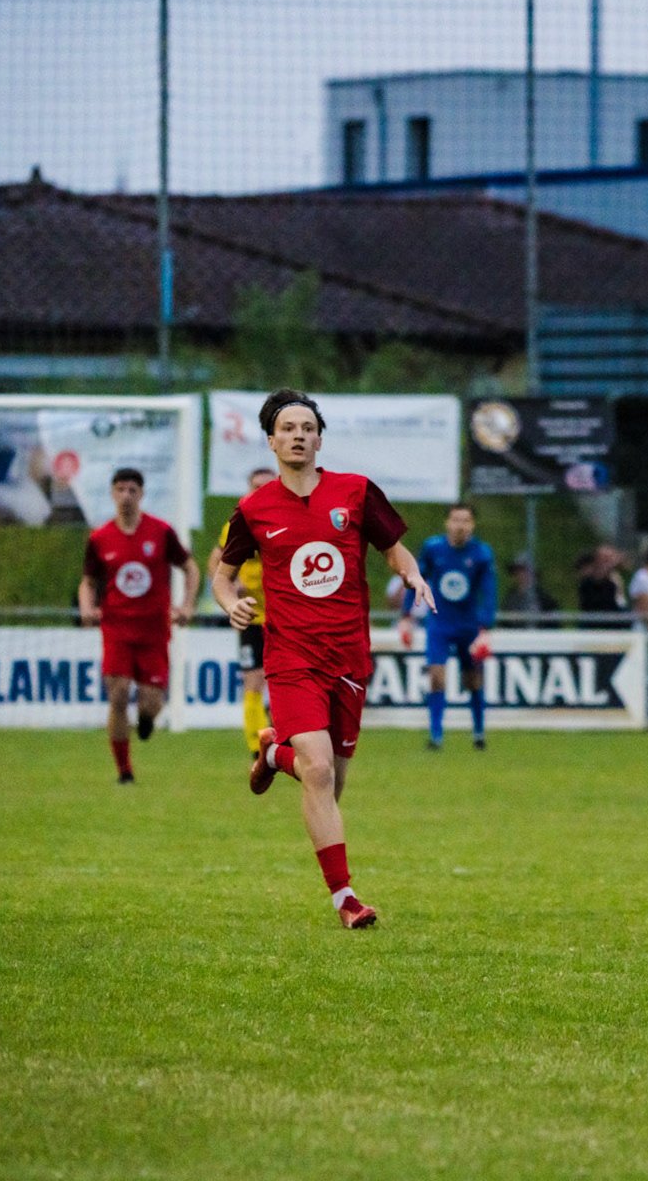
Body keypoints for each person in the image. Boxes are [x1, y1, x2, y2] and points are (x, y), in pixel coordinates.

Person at [212, 388, 434, 930]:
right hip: (289, 655)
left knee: (331, 779)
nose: (298, 436)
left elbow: (392, 548)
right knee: (315, 767)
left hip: (350, 654)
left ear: (318, 438)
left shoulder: (355, 492)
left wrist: (411, 572)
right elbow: (223, 574)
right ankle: (346, 899)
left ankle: (271, 756)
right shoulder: (254, 509)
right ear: (271, 440)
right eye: (288, 428)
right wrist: (231, 604)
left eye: (307, 427)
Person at [77, 467, 200, 784]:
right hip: (117, 629)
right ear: (112, 493)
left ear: (142, 494)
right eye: (120, 489)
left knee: (151, 704)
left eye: (133, 490)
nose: (126, 496)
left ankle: (146, 719)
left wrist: (186, 605)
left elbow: (190, 568)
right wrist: (87, 607)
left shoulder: (160, 532)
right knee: (117, 696)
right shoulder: (100, 538)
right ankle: (124, 771)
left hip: (154, 631)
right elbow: (88, 581)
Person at [401, 503, 498, 752]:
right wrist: (406, 615)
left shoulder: (481, 553)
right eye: (456, 520)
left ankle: (478, 732)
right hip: (440, 623)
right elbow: (416, 578)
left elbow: (489, 591)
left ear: (472, 525)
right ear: (447, 523)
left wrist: (484, 627)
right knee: (436, 676)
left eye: (465, 521)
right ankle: (436, 734)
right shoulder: (434, 549)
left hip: (469, 625)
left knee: (473, 679)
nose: (460, 526)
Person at [207, 467, 278, 760]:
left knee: (285, 680)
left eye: (267, 485)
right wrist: (232, 585)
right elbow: (216, 561)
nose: (261, 491)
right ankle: (255, 745)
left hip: (284, 615)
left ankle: (281, 734)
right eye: (255, 486)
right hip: (251, 616)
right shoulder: (238, 525)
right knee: (254, 678)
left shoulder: (289, 520)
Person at [501, 554, 558, 627]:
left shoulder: (544, 598)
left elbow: (553, 623)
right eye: (518, 571)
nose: (521, 574)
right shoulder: (511, 596)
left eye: (524, 570)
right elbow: (504, 621)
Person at [576, 544, 628, 621]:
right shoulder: (589, 576)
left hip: (615, 618)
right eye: (605, 558)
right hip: (596, 620)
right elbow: (598, 577)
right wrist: (613, 563)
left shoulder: (615, 577)